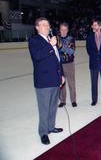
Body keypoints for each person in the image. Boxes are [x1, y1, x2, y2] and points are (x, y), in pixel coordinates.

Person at [28, 17, 65, 145]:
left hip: (55, 79)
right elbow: (37, 56)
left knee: (53, 106)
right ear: (37, 27)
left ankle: (50, 127)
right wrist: (51, 45)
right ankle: (43, 132)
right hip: (43, 81)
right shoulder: (34, 40)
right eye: (43, 25)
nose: (47, 27)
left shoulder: (51, 40)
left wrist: (62, 75)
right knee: (44, 108)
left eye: (48, 25)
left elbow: (57, 59)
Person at [57, 22, 77, 108]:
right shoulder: (56, 39)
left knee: (71, 83)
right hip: (59, 64)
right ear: (59, 30)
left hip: (69, 64)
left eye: (65, 30)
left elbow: (71, 51)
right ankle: (62, 100)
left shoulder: (71, 39)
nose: (63, 31)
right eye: (62, 29)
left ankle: (73, 100)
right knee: (61, 84)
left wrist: (62, 47)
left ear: (67, 30)